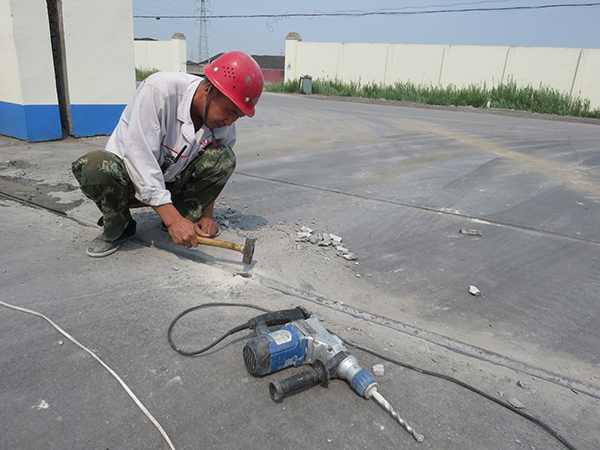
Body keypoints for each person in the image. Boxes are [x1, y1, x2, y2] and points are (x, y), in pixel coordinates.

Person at [72, 51, 263, 257]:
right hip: (128, 183)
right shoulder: (160, 91)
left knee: (223, 158)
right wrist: (173, 221)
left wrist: (207, 215)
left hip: (170, 182)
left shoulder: (222, 122)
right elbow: (140, 159)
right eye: (230, 111)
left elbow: (216, 168)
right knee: (96, 164)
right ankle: (121, 225)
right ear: (210, 89)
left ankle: (184, 215)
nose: (230, 122)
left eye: (238, 116)